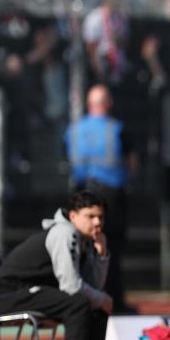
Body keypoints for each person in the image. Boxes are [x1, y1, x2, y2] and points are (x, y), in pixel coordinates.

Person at [0, 190, 123, 340]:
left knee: (95, 306)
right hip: (12, 294)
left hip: (40, 293)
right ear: (73, 216)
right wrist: (101, 298)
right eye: (90, 216)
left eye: (101, 217)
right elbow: (71, 286)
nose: (97, 222)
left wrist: (101, 254)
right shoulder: (65, 233)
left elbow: (93, 286)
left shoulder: (85, 238)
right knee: (79, 304)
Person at [65, 84, 138, 314]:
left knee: (81, 249)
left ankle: (83, 298)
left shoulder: (73, 130)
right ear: (108, 103)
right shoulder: (116, 129)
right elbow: (132, 162)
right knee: (110, 249)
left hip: (80, 195)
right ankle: (113, 299)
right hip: (110, 197)